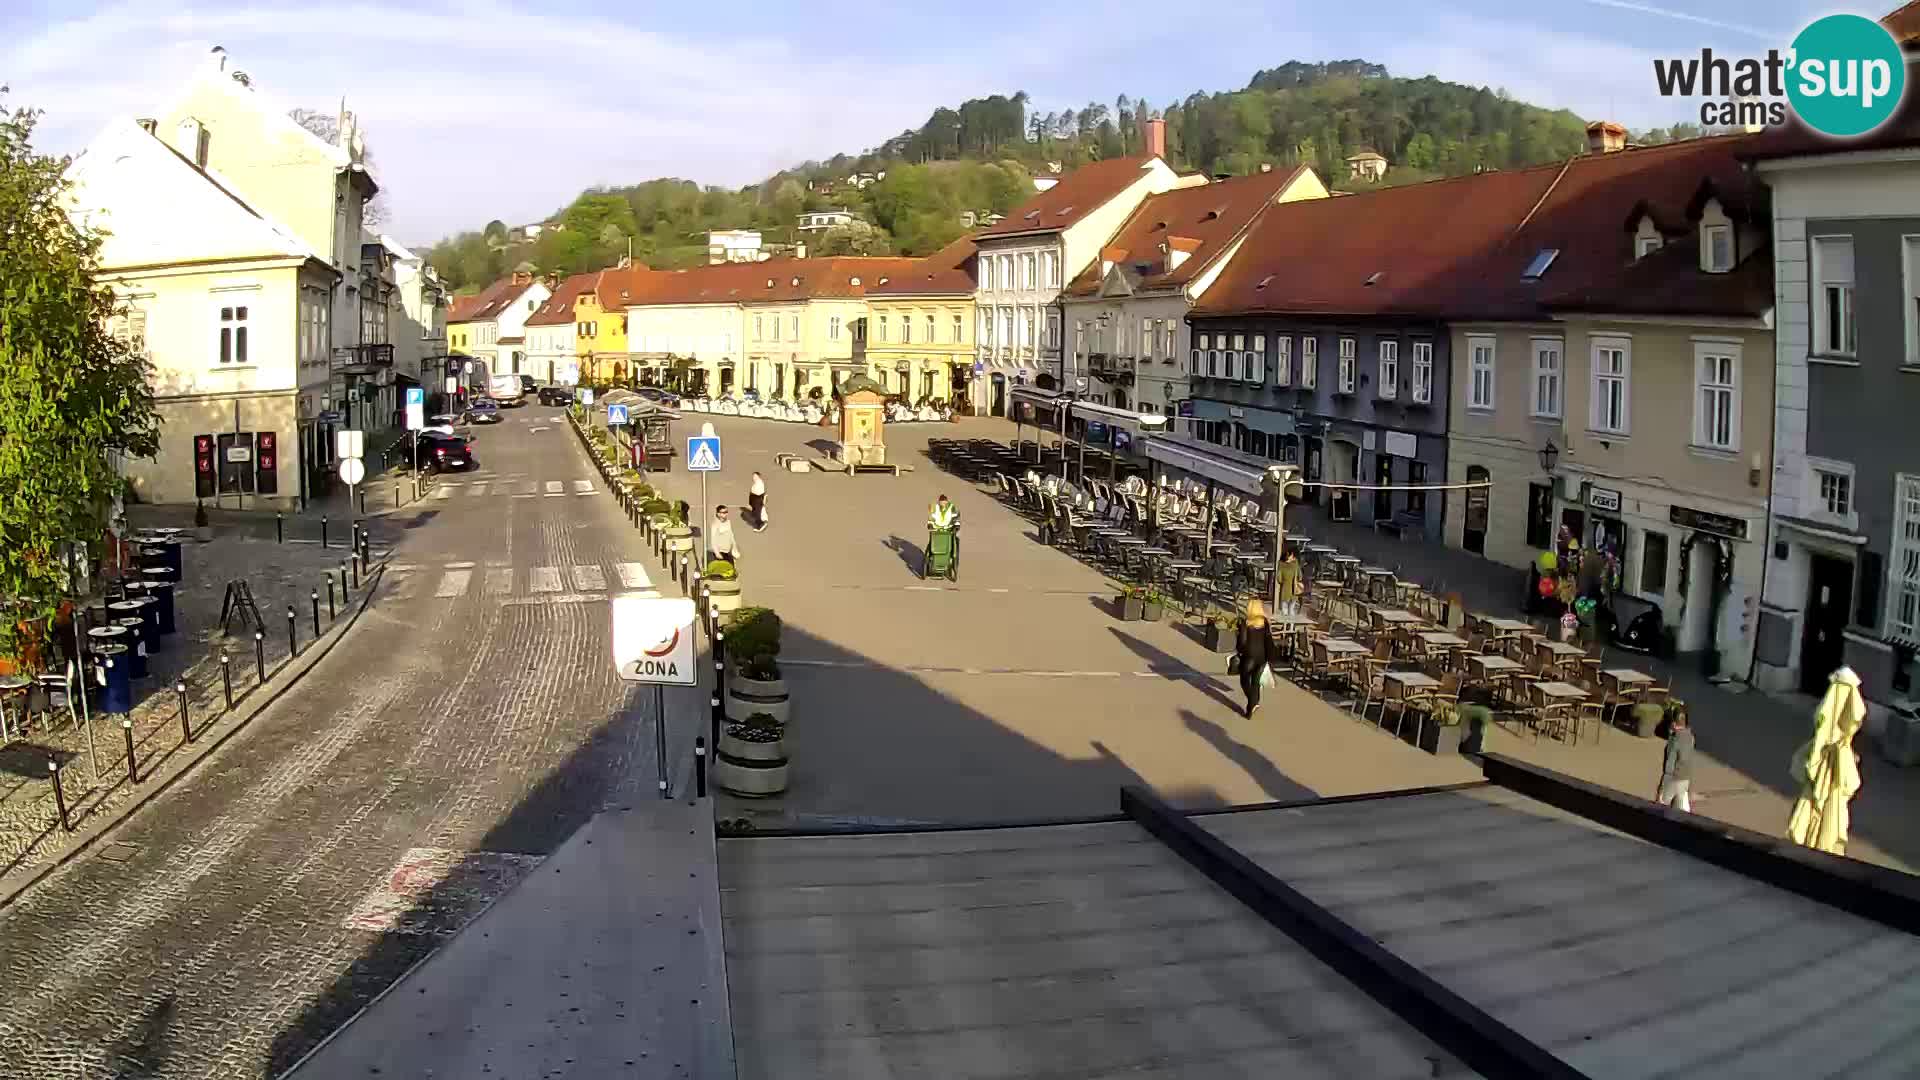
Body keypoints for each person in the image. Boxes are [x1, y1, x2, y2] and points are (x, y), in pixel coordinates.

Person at [1234, 598, 1280, 719]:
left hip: (1249, 657)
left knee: (1244, 680)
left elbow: (1242, 644)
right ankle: (1252, 706)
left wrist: (1238, 644)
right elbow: (1268, 641)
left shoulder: (1246, 623)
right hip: (1262, 657)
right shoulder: (1264, 622)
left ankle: (1252, 701)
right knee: (1255, 682)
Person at [1655, 707, 1694, 812]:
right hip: (1685, 781)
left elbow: (1669, 766)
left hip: (1672, 781)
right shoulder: (1690, 737)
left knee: (1660, 809)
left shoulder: (1674, 740)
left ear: (1673, 723)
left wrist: (1661, 788)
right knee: (1682, 812)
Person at [1275, 548, 1303, 617]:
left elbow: (1279, 579)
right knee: (1291, 609)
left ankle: (1286, 624)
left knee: (1285, 609)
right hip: (1294, 589)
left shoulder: (1281, 564)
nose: (1292, 556)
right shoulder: (1295, 563)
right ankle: (1290, 626)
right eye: (1292, 555)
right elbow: (1300, 576)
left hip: (1285, 589)